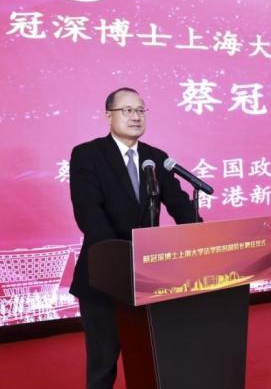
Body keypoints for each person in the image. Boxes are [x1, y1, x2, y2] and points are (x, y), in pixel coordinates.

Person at [68, 87, 198, 388]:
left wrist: (202, 237)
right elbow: (89, 215)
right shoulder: (87, 155)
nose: (135, 116)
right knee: (103, 365)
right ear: (108, 115)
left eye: (140, 110)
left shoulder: (156, 158)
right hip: (104, 276)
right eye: (127, 110)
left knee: (152, 362)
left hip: (150, 279)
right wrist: (122, 260)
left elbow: (180, 205)